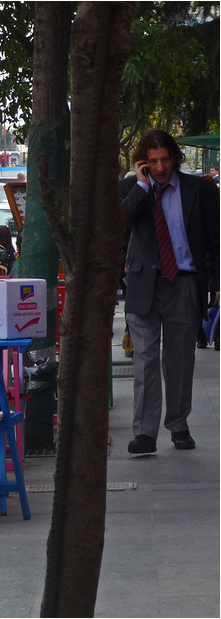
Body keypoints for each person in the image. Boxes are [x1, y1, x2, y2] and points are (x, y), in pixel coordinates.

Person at [119, 129, 219, 455]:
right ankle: (144, 433)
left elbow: (215, 241)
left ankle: (178, 424)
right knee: (145, 361)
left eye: (165, 160)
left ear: (175, 157)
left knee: (179, 359)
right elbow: (118, 226)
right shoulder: (132, 188)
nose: (160, 167)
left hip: (185, 283)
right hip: (143, 284)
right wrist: (141, 187)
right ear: (142, 164)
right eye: (152, 162)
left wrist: (216, 285)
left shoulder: (200, 189)